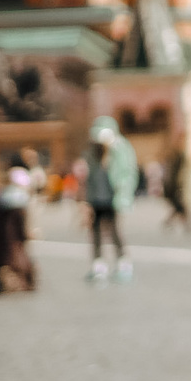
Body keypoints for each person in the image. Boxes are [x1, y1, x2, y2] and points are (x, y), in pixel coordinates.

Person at [84, 116, 139, 281]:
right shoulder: (92, 152)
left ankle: (123, 262)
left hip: (113, 199)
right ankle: (98, 264)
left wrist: (123, 197)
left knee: (115, 231)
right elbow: (90, 178)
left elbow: (127, 175)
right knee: (96, 233)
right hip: (97, 199)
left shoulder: (120, 149)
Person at [0, 165, 39, 293]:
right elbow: (22, 235)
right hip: (12, 259)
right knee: (29, 272)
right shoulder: (19, 208)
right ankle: (11, 277)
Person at [163, 143, 191, 231]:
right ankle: (186, 225)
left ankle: (171, 222)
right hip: (175, 188)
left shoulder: (176, 162)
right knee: (180, 207)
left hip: (176, 187)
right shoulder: (174, 162)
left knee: (179, 207)